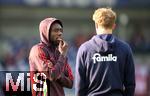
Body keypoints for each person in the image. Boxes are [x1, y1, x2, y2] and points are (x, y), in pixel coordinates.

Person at [75, 8, 135, 96]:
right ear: (114, 26)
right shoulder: (125, 48)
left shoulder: (84, 49)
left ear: (96, 25)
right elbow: (130, 84)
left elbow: (80, 86)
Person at [29, 17, 73, 96]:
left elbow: (70, 83)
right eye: (56, 30)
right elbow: (51, 75)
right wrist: (62, 56)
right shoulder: (38, 50)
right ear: (46, 32)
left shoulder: (60, 52)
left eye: (61, 30)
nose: (60, 33)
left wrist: (58, 74)